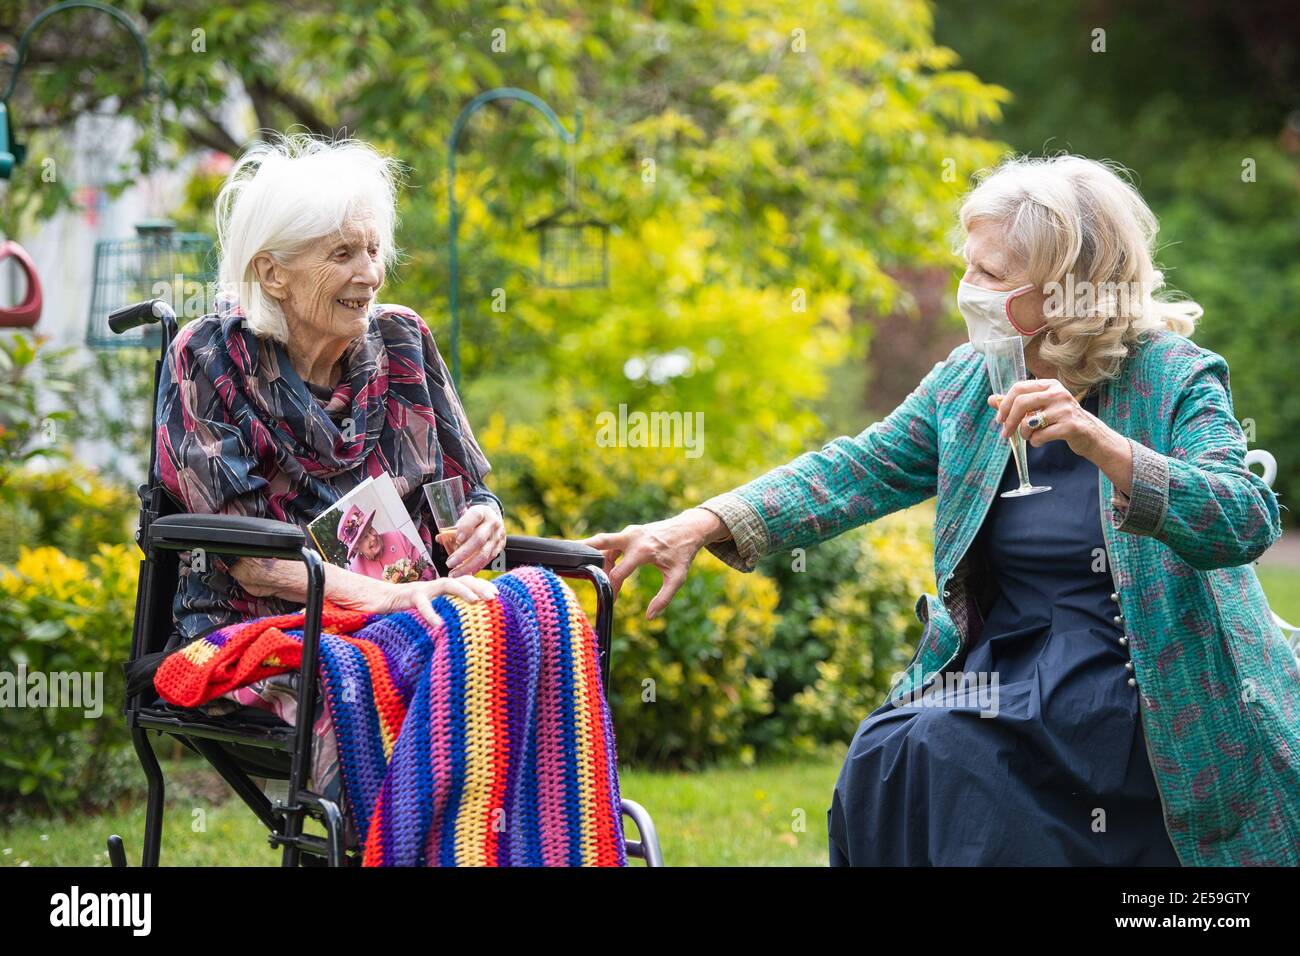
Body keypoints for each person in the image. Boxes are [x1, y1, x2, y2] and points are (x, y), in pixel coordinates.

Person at [583, 155, 1300, 866]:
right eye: (968, 266)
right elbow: (855, 469)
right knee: (891, 754)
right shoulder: (969, 383)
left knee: (952, 758)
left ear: (1067, 290)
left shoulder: (1171, 376)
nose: (969, 290)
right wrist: (700, 522)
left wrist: (1102, 444)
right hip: (1010, 664)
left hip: (1135, 678)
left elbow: (1242, 520)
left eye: (990, 276)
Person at [154, 134, 506, 646]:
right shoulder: (208, 358)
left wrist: (486, 520)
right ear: (273, 273)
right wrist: (391, 599)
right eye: (342, 253)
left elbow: (467, 492)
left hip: (416, 612)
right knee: (390, 674)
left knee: (536, 615)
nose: (370, 274)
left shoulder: (403, 341)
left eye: (373, 250)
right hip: (263, 626)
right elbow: (254, 564)